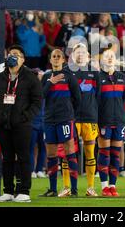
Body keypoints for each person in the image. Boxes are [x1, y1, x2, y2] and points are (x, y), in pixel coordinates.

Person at [0, 44, 42, 203]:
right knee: (7, 159)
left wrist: (26, 116)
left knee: (24, 157)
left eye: (17, 54)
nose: (13, 56)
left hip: (22, 125)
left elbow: (37, 101)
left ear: (23, 59)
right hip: (3, 124)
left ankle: (24, 191)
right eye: (11, 53)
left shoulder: (31, 77)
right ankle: (8, 191)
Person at [40, 49, 81, 197]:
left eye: (59, 56)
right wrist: (50, 83)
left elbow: (78, 99)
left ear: (63, 59)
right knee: (51, 154)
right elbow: (40, 96)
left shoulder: (70, 77)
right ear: (50, 60)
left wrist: (69, 114)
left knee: (69, 152)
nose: (56, 59)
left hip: (65, 119)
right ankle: (52, 189)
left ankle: (74, 190)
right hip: (49, 119)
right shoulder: (45, 77)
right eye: (54, 56)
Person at [67, 43, 100, 197]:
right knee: (69, 153)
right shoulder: (67, 72)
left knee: (90, 152)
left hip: (90, 118)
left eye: (83, 52)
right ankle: (68, 188)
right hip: (71, 118)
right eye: (77, 52)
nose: (80, 54)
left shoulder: (95, 73)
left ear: (88, 55)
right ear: (73, 55)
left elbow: (99, 97)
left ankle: (90, 187)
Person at [97, 47, 125, 197]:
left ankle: (113, 186)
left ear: (115, 60)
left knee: (115, 154)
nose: (109, 58)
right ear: (102, 59)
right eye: (106, 56)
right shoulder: (98, 78)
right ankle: (104, 186)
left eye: (112, 56)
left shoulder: (123, 77)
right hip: (104, 120)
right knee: (104, 153)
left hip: (119, 121)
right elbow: (96, 101)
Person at [30, 69, 46, 179]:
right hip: (32, 122)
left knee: (43, 147)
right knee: (30, 148)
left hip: (44, 123)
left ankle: (39, 169)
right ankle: (32, 170)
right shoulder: (29, 90)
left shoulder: (46, 89)